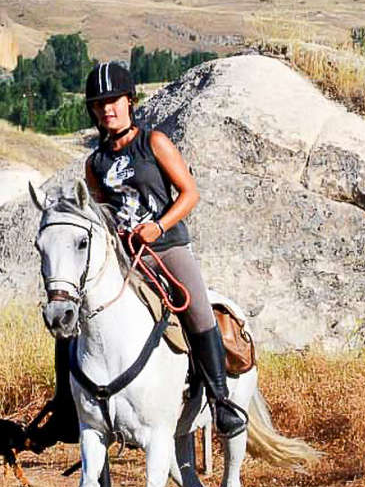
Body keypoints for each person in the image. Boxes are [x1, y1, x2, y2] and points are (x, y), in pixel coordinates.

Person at [40, 59, 246, 439]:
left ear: (130, 101)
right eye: (100, 104)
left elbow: (189, 193)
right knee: (72, 320)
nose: (108, 109)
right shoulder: (94, 163)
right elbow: (98, 212)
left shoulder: (154, 143)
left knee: (198, 309)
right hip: (120, 258)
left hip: (166, 247)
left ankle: (220, 401)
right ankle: (66, 410)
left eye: (114, 101)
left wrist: (159, 225)